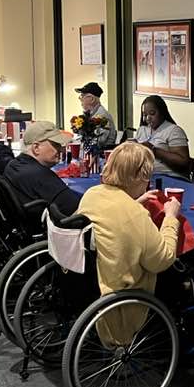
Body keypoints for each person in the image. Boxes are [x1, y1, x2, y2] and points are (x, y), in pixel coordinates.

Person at [77, 141, 181, 345]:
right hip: (125, 292)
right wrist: (171, 218)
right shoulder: (136, 215)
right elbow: (162, 260)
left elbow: (114, 215)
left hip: (94, 280)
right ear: (141, 176)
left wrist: (134, 202)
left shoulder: (93, 194)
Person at [4, 120, 80, 218]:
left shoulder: (13, 165)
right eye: (56, 144)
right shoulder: (40, 175)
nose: (61, 149)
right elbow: (76, 210)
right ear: (36, 148)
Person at [133, 95, 191, 177]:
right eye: (144, 115)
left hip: (169, 177)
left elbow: (183, 162)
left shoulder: (173, 131)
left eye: (152, 113)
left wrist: (154, 151)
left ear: (162, 112)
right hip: (144, 176)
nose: (148, 118)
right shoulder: (142, 130)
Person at [74, 81, 117, 150]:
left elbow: (99, 141)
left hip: (101, 155)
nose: (80, 99)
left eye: (82, 96)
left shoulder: (102, 116)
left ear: (92, 99)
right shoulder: (90, 114)